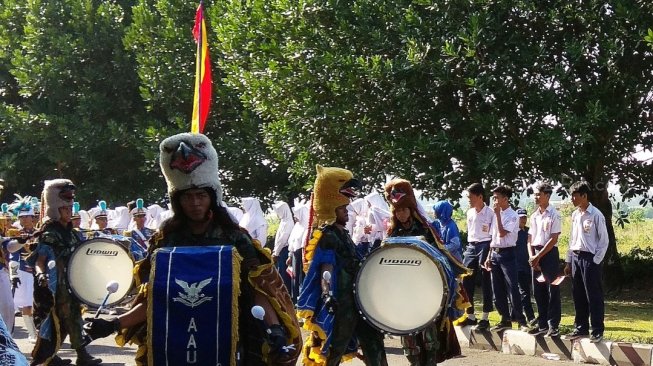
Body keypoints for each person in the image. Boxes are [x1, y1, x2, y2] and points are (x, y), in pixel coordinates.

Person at [83, 132, 300, 365]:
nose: (195, 203)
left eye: (201, 196)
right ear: (178, 201)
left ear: (212, 197)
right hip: (175, 340)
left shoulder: (236, 239)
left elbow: (260, 290)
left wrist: (274, 329)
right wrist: (113, 324)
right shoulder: (165, 242)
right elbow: (155, 300)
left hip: (231, 340)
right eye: (188, 197)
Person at [297, 165, 387, 366]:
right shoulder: (326, 235)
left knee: (374, 344)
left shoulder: (343, 233)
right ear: (331, 207)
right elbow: (325, 268)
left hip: (360, 299)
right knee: (333, 349)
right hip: (342, 302)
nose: (347, 213)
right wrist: (327, 295)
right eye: (343, 209)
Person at [26, 179, 102, 366]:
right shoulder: (48, 233)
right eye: (65, 209)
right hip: (55, 284)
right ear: (56, 209)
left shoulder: (73, 233)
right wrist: (41, 274)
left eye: (70, 209)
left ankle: (78, 354)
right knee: (55, 320)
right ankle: (50, 357)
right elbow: (40, 260)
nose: (70, 212)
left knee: (73, 316)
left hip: (71, 282)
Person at [564, 181, 608, 343]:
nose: (572, 199)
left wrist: (596, 261)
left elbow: (604, 241)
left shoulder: (596, 215)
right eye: (571, 196)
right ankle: (581, 327)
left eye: (575, 196)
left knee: (593, 295)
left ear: (584, 196)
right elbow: (572, 238)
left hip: (590, 259)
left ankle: (597, 329)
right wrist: (569, 261)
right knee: (578, 294)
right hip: (576, 257)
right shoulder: (575, 215)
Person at [483, 185, 529, 331]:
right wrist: (489, 255)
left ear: (505, 198)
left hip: (508, 253)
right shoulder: (496, 214)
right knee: (497, 289)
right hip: (495, 253)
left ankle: (521, 320)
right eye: (493, 197)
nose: (494, 201)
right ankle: (504, 318)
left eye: (496, 197)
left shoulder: (512, 216)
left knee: (512, 288)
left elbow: (503, 233)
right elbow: (494, 237)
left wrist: (497, 215)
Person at [526, 183, 563, 337]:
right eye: (534, 194)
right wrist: (531, 256)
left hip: (548, 254)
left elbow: (553, 239)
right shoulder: (534, 215)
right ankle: (542, 324)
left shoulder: (554, 214)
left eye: (538, 194)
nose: (536, 197)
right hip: (535, 254)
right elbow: (529, 238)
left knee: (552, 289)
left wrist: (538, 256)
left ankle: (553, 325)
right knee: (538, 290)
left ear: (547, 196)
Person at [458, 183, 494, 330]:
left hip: (485, 244)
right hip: (471, 246)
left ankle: (485, 317)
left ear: (480, 196)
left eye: (471, 197)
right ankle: (470, 315)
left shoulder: (490, 213)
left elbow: (493, 235)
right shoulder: (470, 212)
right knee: (465, 280)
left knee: (485, 280)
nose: (469, 200)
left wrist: (490, 253)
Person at [9, 200, 38, 343]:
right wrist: (13, 274)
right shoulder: (15, 234)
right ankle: (32, 333)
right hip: (23, 272)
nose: (24, 219)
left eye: (27, 216)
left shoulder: (40, 232)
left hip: (39, 272)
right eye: (21, 217)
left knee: (42, 303)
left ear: (33, 217)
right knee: (26, 304)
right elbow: (12, 256)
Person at [514, 208, 536, 328]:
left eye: (524, 217)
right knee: (523, 293)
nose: (523, 220)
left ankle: (518, 316)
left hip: (528, 267)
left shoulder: (528, 232)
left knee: (525, 292)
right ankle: (530, 316)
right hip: (517, 267)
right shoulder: (513, 232)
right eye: (520, 217)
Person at [287, 200, 308, 304]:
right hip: (295, 253)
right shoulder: (297, 226)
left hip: (302, 254)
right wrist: (290, 255)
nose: (295, 217)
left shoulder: (306, 228)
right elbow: (292, 241)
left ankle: (301, 299)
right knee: (295, 277)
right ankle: (295, 298)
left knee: (301, 278)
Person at [272, 201, 294, 293]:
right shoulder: (283, 221)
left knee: (283, 275)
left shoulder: (288, 223)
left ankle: (286, 294)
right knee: (279, 273)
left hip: (284, 250)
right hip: (280, 250)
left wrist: (276, 252)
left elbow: (282, 240)